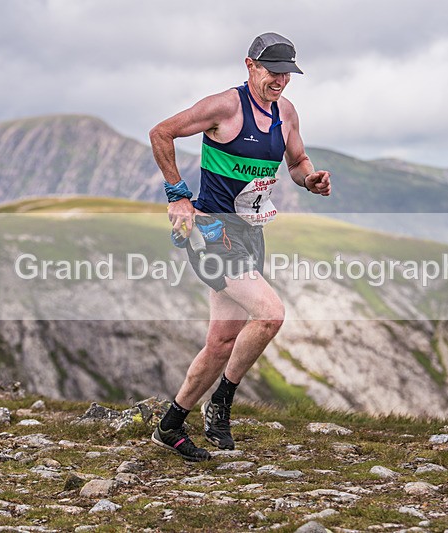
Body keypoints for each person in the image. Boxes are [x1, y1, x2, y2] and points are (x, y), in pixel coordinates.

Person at [149, 32, 331, 461]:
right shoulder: (224, 107)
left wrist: (309, 179)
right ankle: (221, 402)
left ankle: (171, 425)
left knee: (221, 343)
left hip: (252, 232)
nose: (280, 81)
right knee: (270, 314)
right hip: (212, 234)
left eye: (287, 74)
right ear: (250, 65)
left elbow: (296, 161)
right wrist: (177, 196)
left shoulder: (286, 112)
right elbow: (161, 133)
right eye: (273, 72)